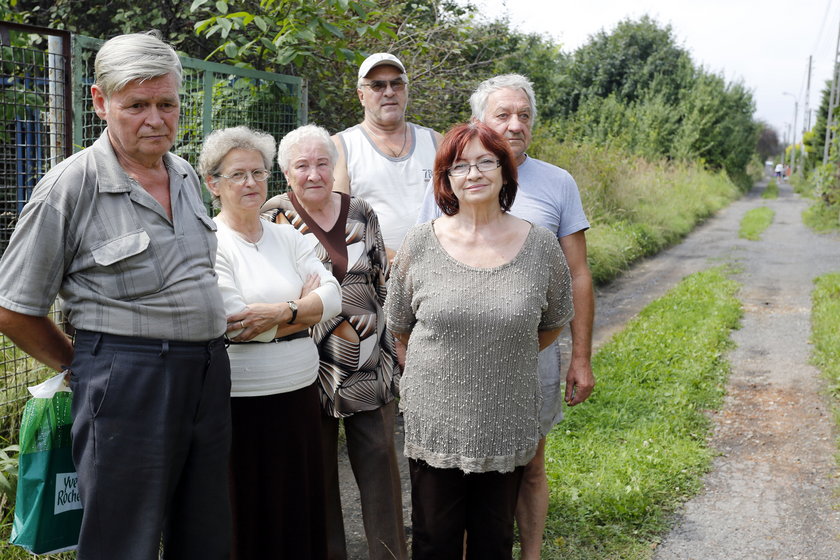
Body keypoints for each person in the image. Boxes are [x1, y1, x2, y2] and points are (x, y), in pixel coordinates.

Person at [0, 32, 231, 559]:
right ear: (100, 102)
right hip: (127, 379)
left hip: (208, 372)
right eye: (137, 105)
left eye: (166, 103)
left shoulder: (184, 171)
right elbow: (12, 308)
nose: (155, 119)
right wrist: (81, 365)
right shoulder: (71, 186)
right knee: (121, 539)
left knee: (207, 529)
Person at [417, 73, 595, 559]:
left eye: (524, 115)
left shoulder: (558, 183)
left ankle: (530, 554)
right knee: (463, 473)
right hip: (455, 362)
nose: (515, 124)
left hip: (526, 350)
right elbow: (420, 267)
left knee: (529, 464)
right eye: (503, 114)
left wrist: (580, 356)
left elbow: (576, 275)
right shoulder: (452, 176)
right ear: (479, 121)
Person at [385, 122, 574, 560]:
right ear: (446, 178)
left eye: (486, 162)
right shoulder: (420, 242)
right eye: (460, 165)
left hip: (505, 420)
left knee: (493, 541)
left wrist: (496, 352)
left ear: (506, 172)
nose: (474, 173)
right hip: (436, 421)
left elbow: (552, 324)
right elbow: (400, 327)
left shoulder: (541, 246)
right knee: (434, 542)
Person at [262, 124, 406, 560]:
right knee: (316, 477)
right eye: (302, 166)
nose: (313, 174)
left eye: (322, 163)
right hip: (304, 368)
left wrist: (394, 344)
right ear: (286, 173)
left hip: (368, 363)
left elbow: (384, 282)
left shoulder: (361, 211)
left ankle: (390, 554)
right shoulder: (273, 215)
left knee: (381, 463)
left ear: (335, 167)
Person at [197, 126, 342, 559]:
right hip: (241, 403)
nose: (250, 183)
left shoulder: (287, 234)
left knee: (297, 509)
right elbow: (236, 323)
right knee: (249, 511)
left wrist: (282, 312)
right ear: (213, 184)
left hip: (298, 395)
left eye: (258, 173)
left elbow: (334, 297)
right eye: (237, 175)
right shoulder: (210, 241)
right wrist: (302, 307)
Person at [332, 52, 443, 261]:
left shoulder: (437, 142)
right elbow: (337, 220)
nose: (389, 92)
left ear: (406, 91)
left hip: (435, 270)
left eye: (397, 84)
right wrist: (391, 258)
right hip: (372, 276)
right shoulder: (340, 147)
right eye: (377, 86)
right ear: (361, 96)